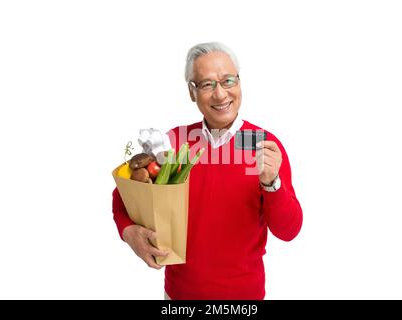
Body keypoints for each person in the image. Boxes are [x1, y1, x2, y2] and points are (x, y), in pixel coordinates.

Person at [112, 42, 303, 300]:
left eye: (227, 81)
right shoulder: (174, 142)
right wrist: (128, 232)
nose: (220, 94)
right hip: (179, 296)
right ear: (192, 92)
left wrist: (272, 183)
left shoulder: (262, 144)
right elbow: (124, 196)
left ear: (239, 83)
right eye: (206, 84)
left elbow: (288, 230)